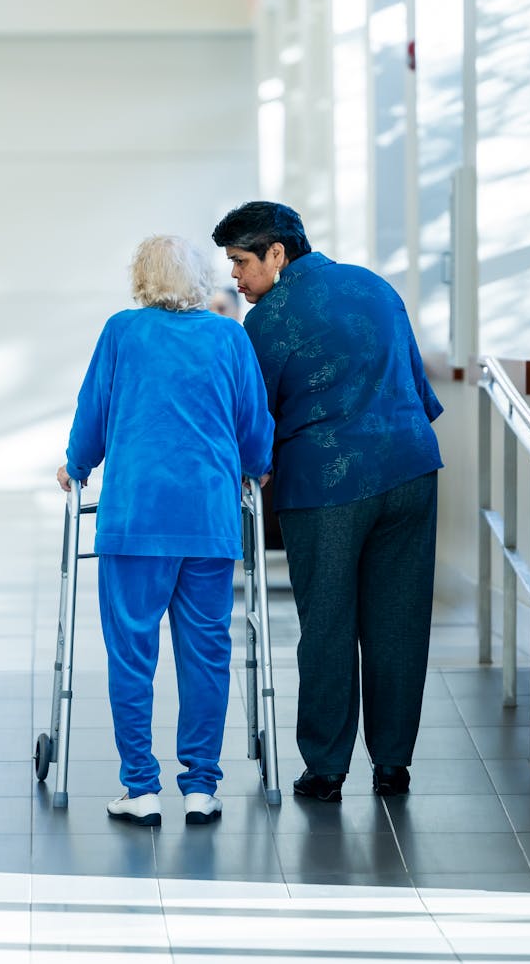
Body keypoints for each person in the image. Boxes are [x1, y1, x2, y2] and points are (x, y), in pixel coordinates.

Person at [211, 202, 443, 803]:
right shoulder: (374, 285)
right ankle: (393, 766)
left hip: (327, 486)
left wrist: (250, 471)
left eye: (240, 262)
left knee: (328, 626)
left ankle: (326, 769)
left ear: (276, 254)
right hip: (412, 468)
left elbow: (253, 421)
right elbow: (419, 388)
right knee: (399, 620)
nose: (235, 278)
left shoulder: (266, 321)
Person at [56, 234, 274, 827]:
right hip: (207, 517)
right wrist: (256, 465)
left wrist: (74, 467)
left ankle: (141, 789)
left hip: (136, 519)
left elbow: (93, 414)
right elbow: (254, 426)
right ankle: (201, 786)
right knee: (206, 653)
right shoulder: (228, 336)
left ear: (141, 278)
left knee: (132, 654)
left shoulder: (122, 332)